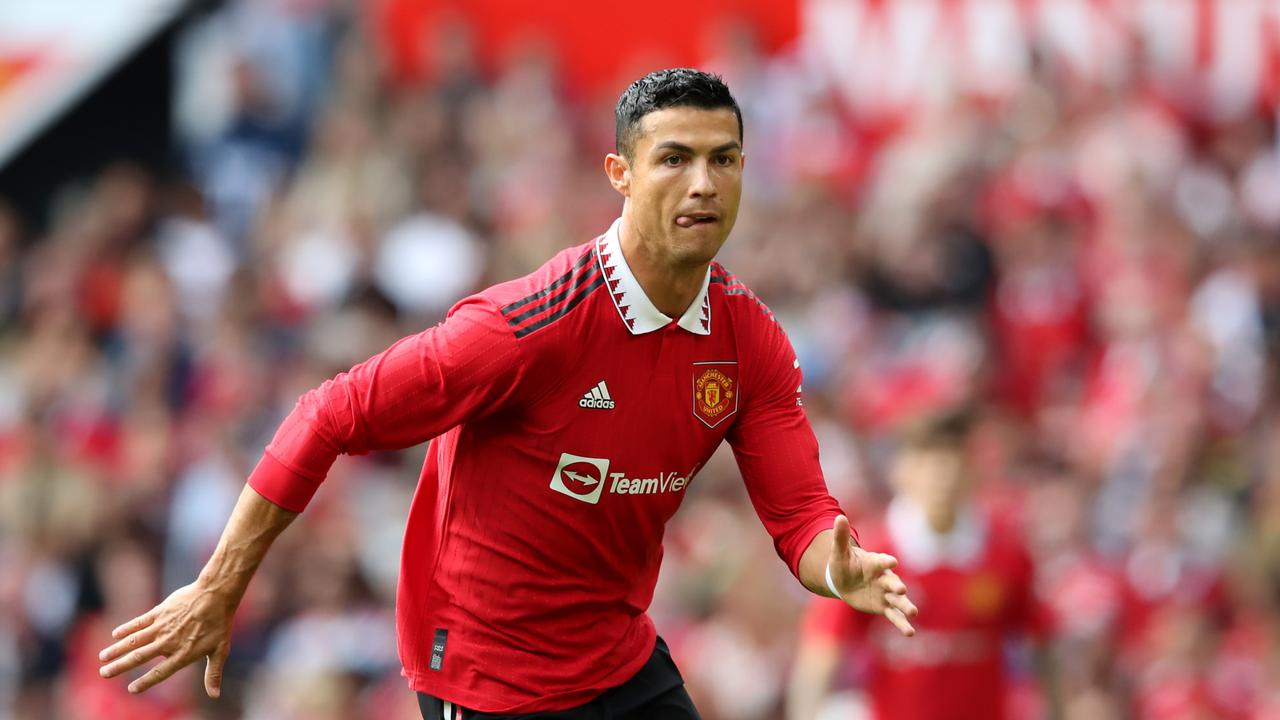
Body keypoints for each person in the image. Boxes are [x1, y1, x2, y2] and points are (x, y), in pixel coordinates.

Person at [98, 68, 918, 719]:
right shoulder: (529, 325)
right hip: (485, 675)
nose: (702, 183)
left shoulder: (749, 341)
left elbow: (801, 515)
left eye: (723, 158)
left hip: (618, 660)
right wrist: (219, 584)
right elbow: (330, 412)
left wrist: (833, 570)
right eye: (674, 158)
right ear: (621, 175)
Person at [786, 409, 1055, 720]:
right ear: (901, 471)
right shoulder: (870, 556)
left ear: (973, 470)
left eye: (953, 459)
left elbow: (1043, 647)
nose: (943, 475)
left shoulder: (1007, 555)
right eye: (930, 461)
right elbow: (819, 657)